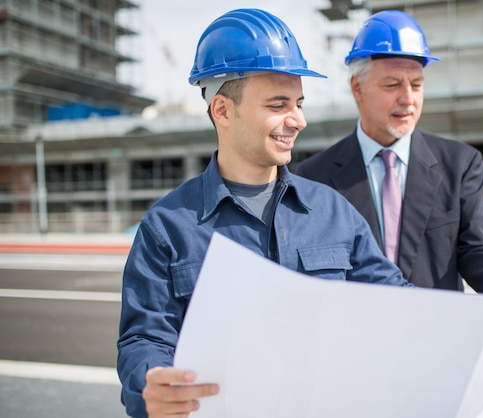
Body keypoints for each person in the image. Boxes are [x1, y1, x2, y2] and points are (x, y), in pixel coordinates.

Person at [116, 8, 413, 418]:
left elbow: (402, 307)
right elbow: (144, 340)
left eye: (299, 103)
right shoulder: (167, 228)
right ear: (222, 110)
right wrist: (150, 381)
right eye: (279, 105)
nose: (299, 120)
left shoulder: (331, 211)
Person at [296, 10, 483, 345]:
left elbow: (477, 251)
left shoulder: (460, 163)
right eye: (393, 84)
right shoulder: (314, 176)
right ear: (357, 88)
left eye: (417, 84)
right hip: (351, 346)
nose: (408, 98)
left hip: (435, 342)